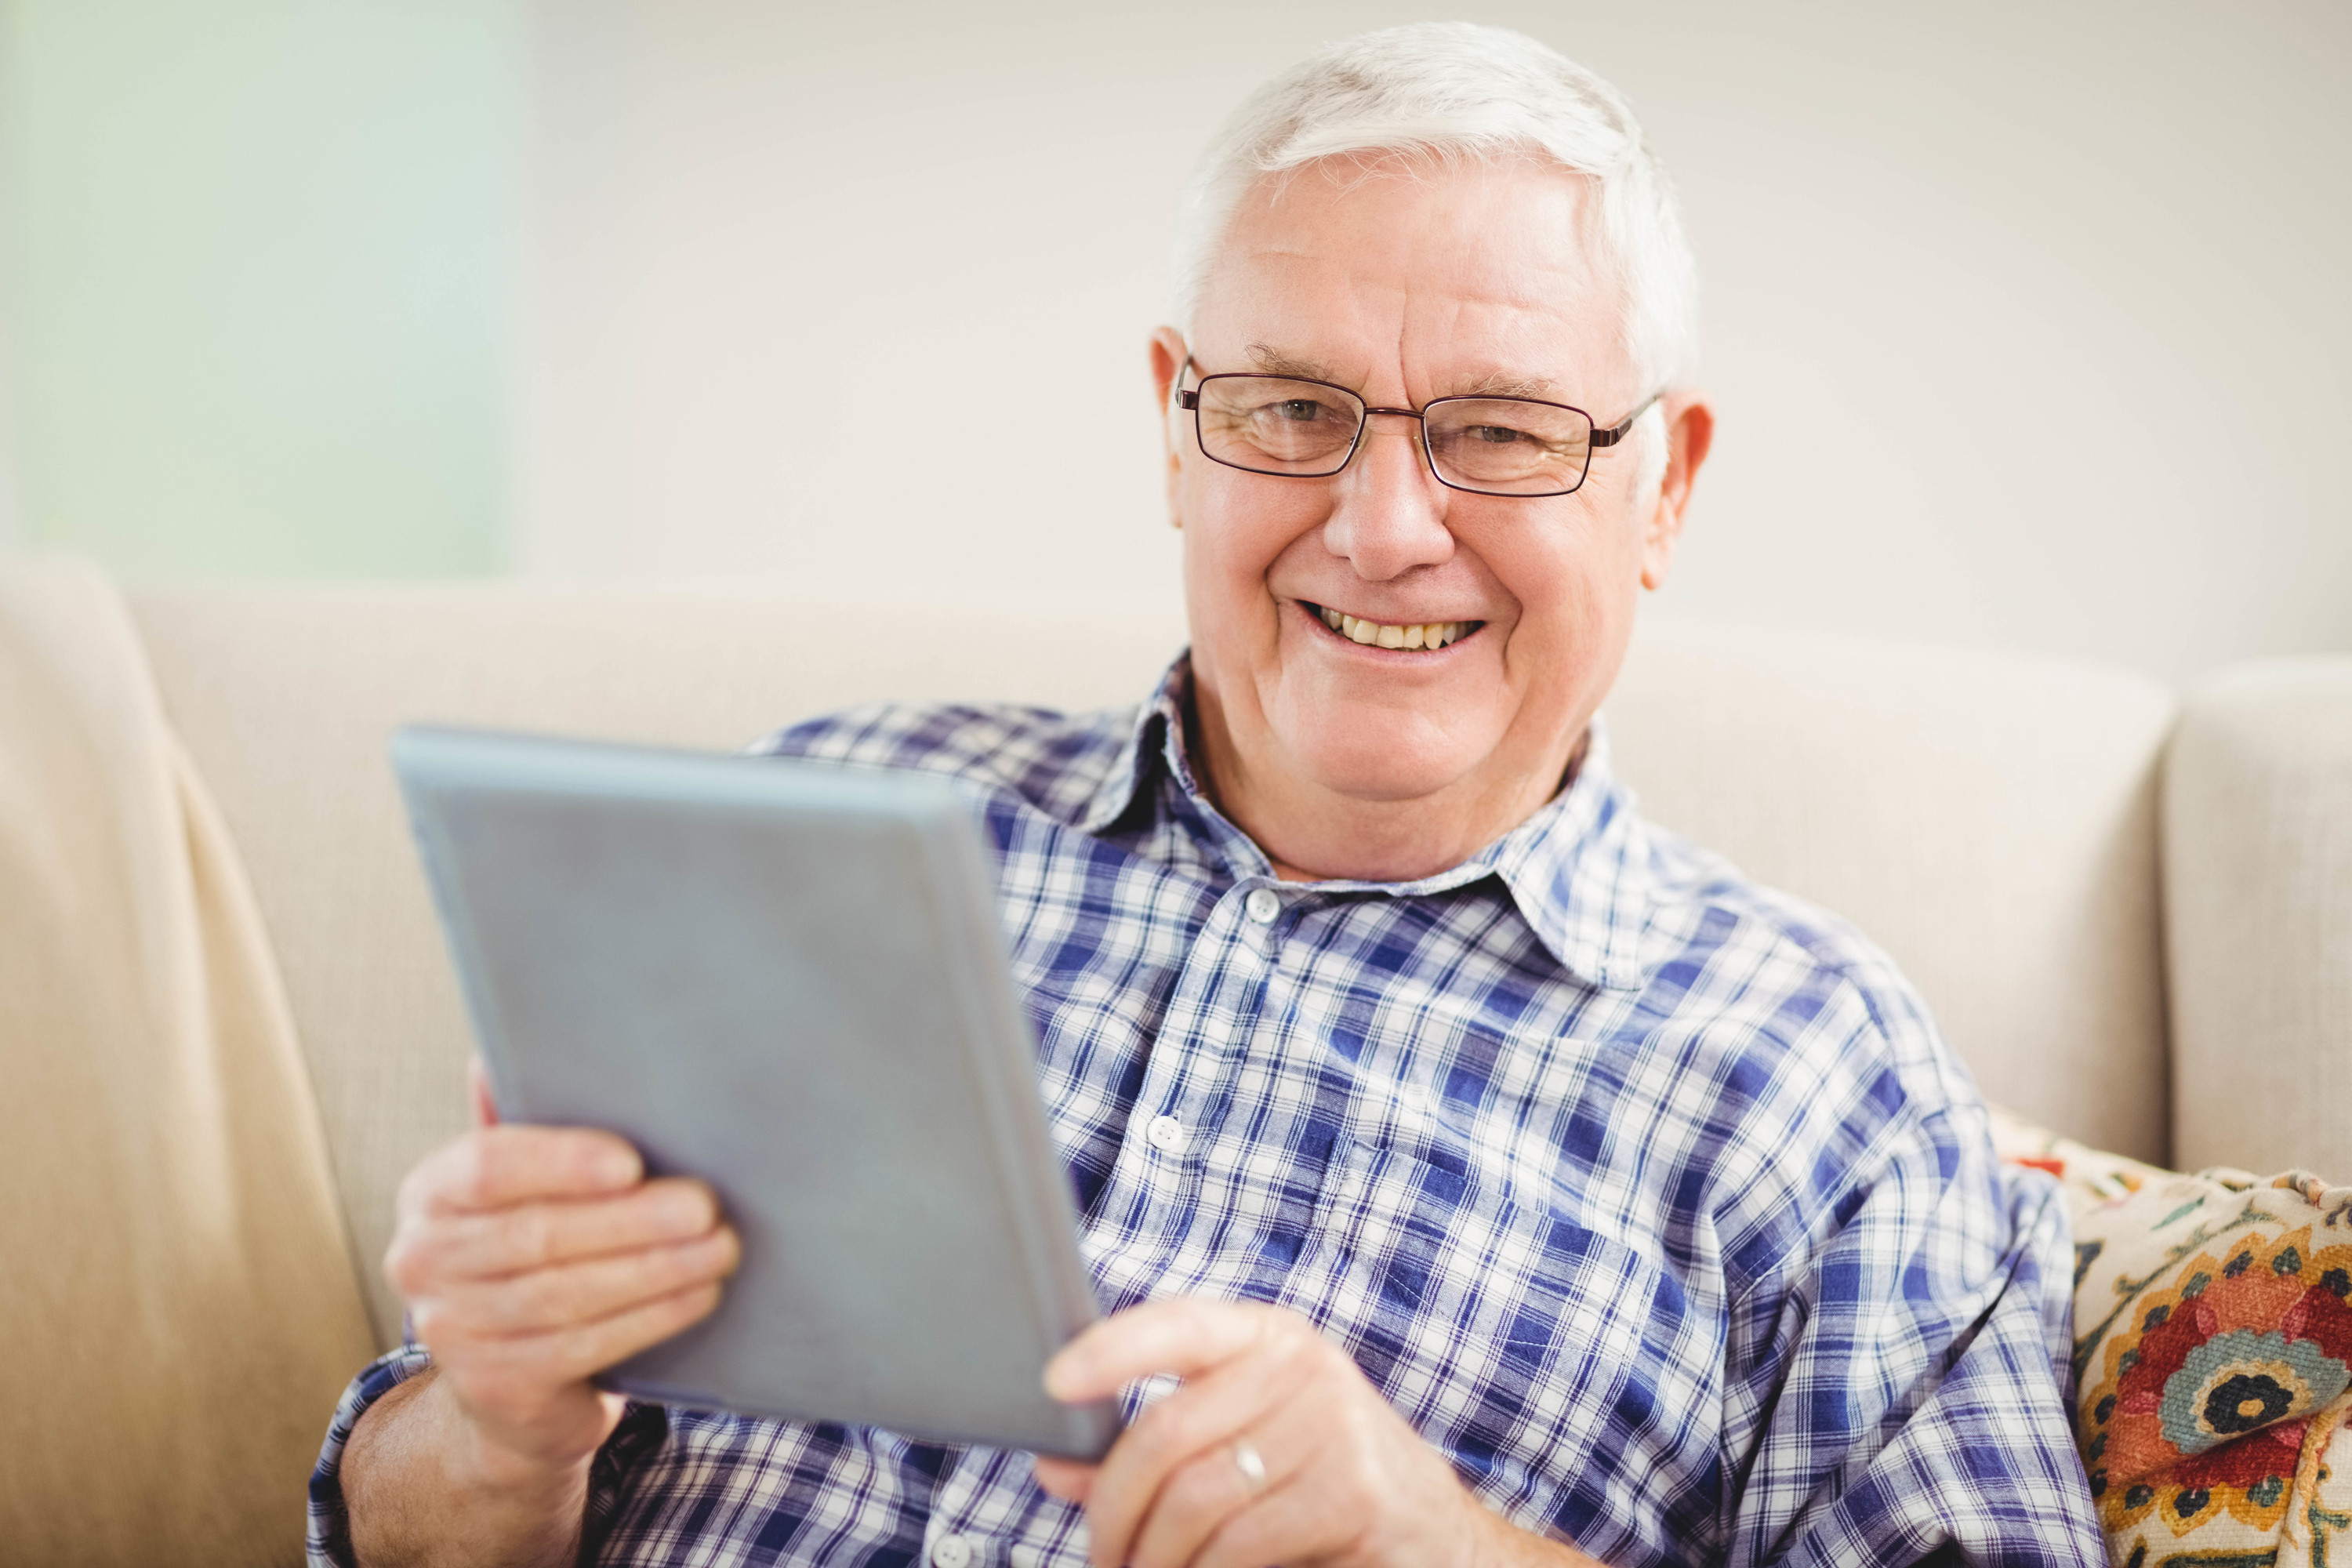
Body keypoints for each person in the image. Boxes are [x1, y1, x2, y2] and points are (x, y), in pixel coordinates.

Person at [310, 23, 2103, 1568]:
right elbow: (382, 1513)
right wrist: (496, 1433)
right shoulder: (835, 812)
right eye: (1290, 409)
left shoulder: (1822, 1079)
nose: (1386, 527)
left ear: (1665, 490)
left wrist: (1432, 1535)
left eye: (1499, 430)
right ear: (1176, 425)